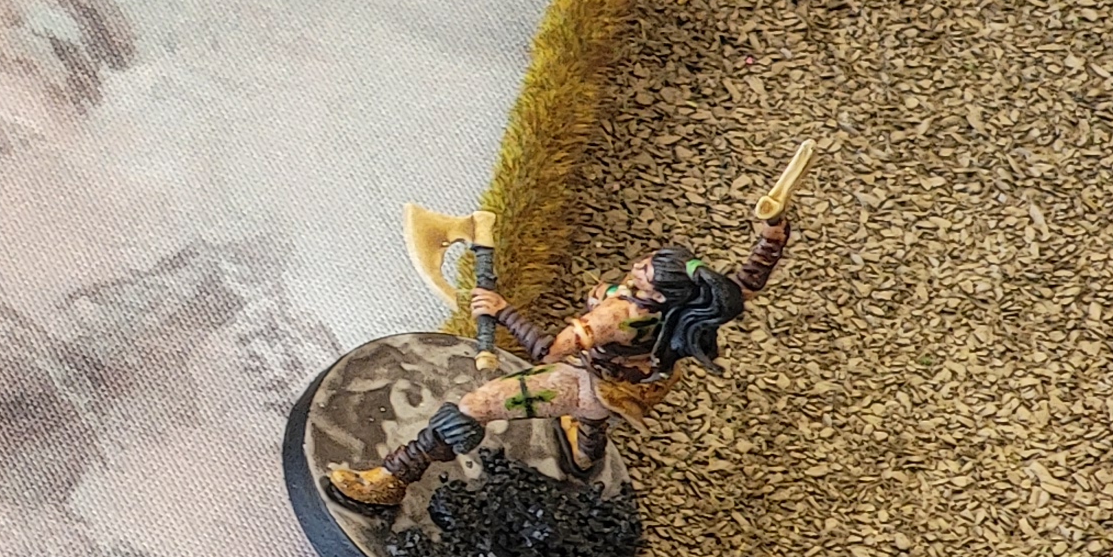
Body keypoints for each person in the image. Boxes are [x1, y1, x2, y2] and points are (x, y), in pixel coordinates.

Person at [327, 205, 799, 509]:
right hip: (619, 385)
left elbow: (545, 353)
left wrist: (502, 310)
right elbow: (742, 286)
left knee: (475, 405)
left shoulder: (617, 317)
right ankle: (585, 451)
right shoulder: (689, 302)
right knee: (588, 421)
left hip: (583, 381)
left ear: (658, 293)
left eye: (645, 271)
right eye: (645, 261)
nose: (637, 267)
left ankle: (392, 478)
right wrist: (772, 232)